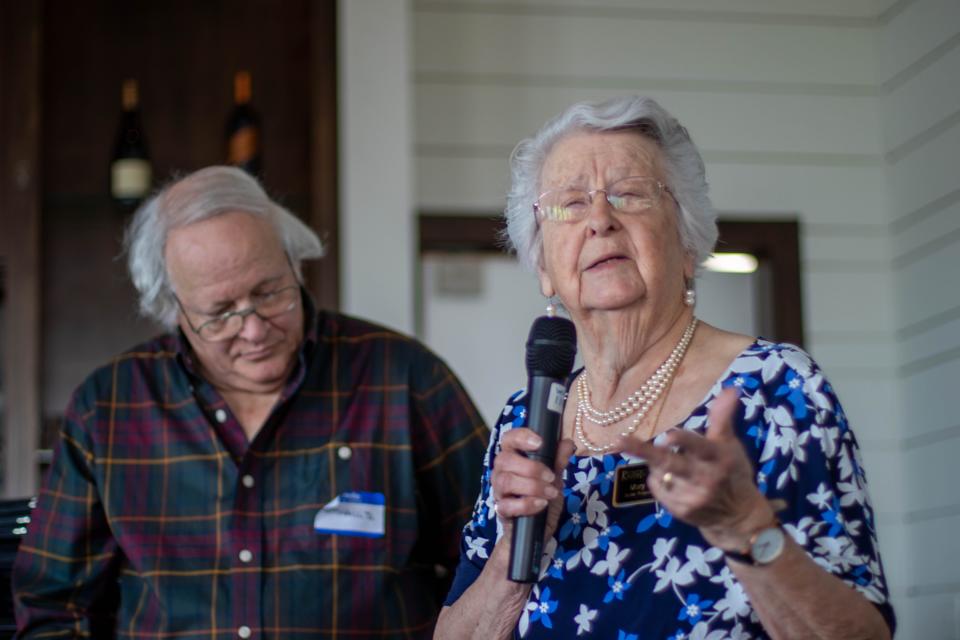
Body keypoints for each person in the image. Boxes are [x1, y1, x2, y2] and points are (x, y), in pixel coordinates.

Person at [435, 96, 895, 639]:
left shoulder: (777, 390)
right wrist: (514, 553)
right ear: (544, 270)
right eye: (570, 204)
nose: (600, 220)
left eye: (629, 195)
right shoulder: (527, 421)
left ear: (686, 243)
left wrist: (744, 528)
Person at [12, 166, 488, 639]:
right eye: (220, 313)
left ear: (294, 265)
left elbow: (493, 563)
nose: (255, 329)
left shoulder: (406, 381)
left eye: (269, 292)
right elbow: (55, 605)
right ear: (173, 308)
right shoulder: (109, 409)